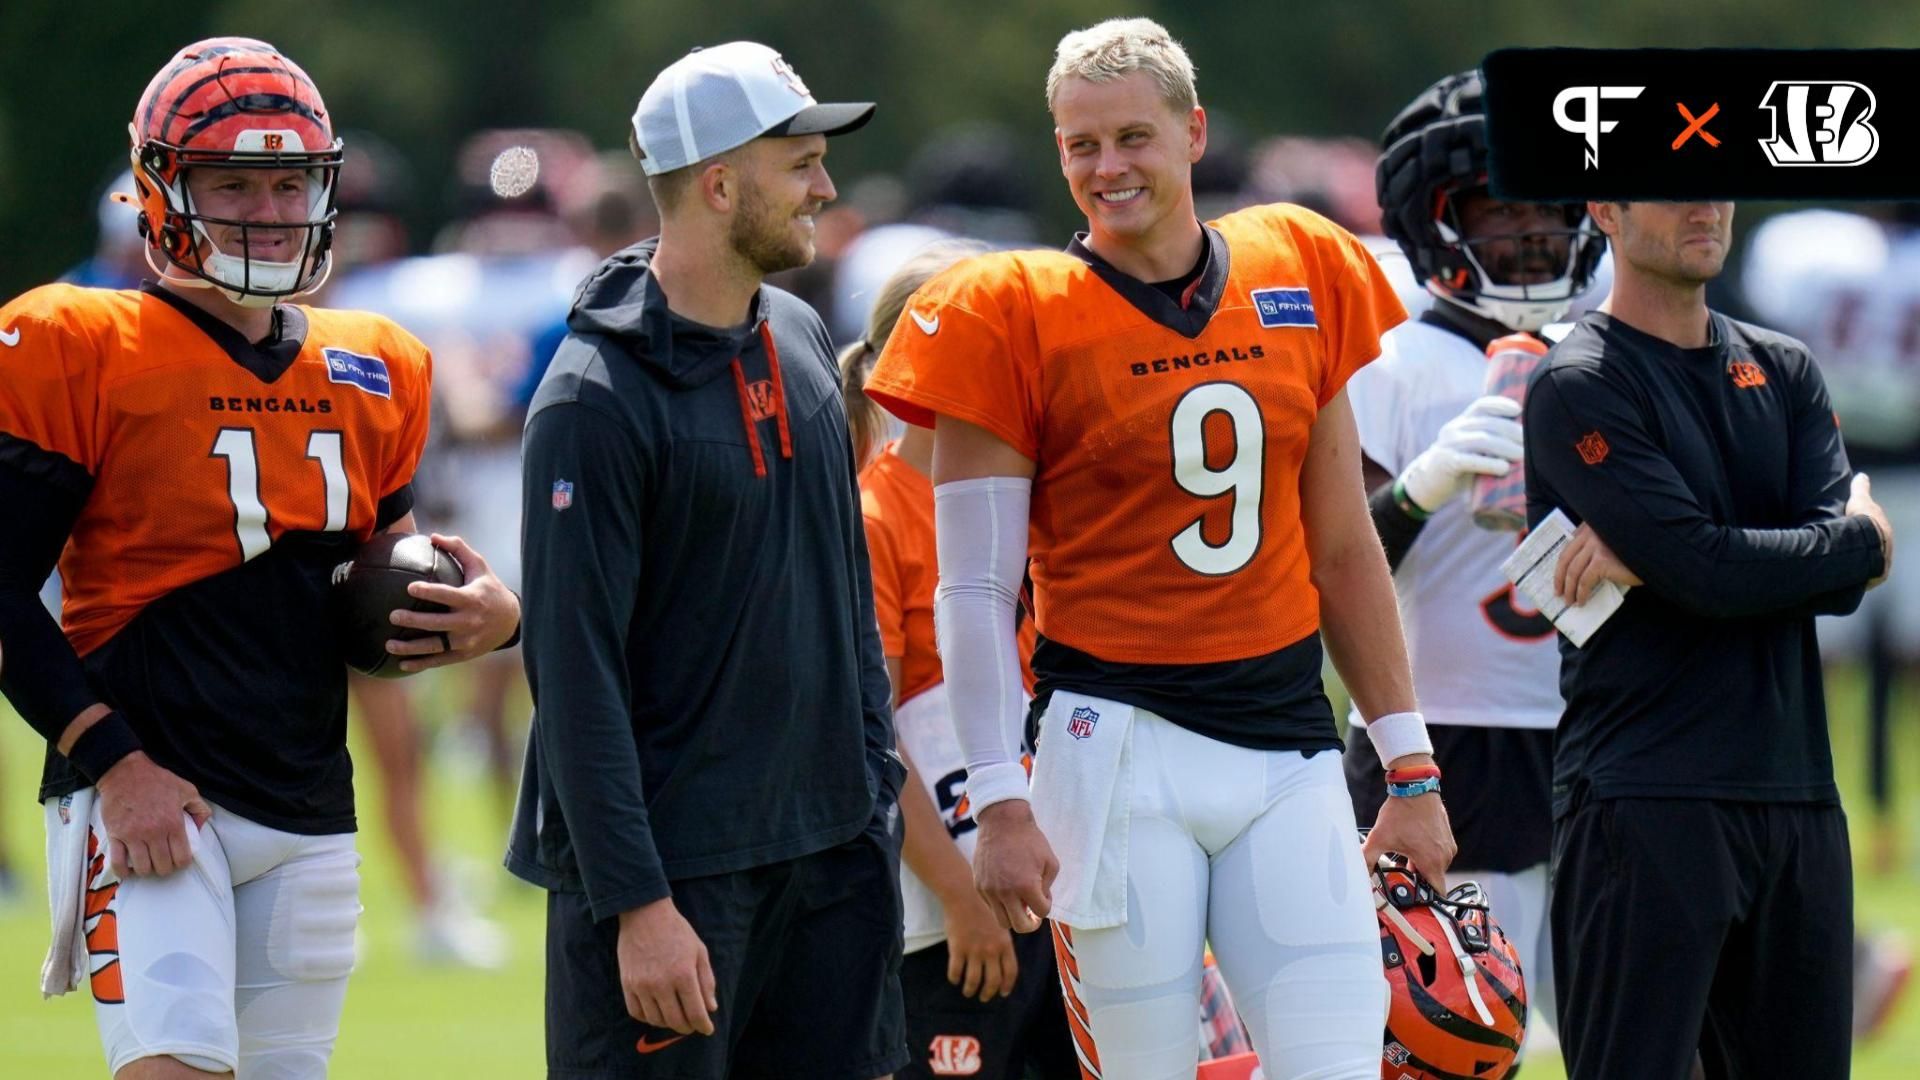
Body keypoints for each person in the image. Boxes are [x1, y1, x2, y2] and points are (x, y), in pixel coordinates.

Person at [866, 18, 1454, 1079]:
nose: (1108, 167)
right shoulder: (1010, 307)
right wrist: (1000, 797)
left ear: (1191, 133)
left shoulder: (1300, 261)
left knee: (1337, 1066)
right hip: (1114, 751)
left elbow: (1345, 545)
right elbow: (978, 586)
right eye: (1081, 144)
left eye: (1132, 137)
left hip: (1289, 744)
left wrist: (1408, 765)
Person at [0, 37, 522, 1079]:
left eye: (291, 183)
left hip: (309, 807)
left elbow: (380, 583)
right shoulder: (78, 341)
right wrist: (114, 765)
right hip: (151, 794)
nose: (268, 210)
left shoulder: (377, 361)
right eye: (233, 182)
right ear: (159, 190)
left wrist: (490, 615)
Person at [507, 41, 908, 1080]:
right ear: (720, 183)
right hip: (674, 890)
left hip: (829, 863)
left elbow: (846, 596)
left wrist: (874, 803)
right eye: (802, 163)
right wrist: (639, 907)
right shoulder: (592, 400)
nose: (826, 187)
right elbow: (574, 676)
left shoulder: (805, 334)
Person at [1524, 199, 1894, 1080]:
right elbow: (1721, 572)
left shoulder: (1786, 366)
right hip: (1647, 799)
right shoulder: (1580, 380)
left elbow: (1829, 582)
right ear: (1605, 210)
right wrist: (1850, 543)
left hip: (1798, 798)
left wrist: (1684, 555)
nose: (1705, 206)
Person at [1345, 69, 1607, 1052]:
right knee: (1440, 1042)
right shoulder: (1392, 359)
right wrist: (1420, 485)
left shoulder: (1618, 346)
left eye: (1549, 208)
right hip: (1445, 736)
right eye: (1498, 211)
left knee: (1642, 1033)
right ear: (1437, 224)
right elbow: (1328, 563)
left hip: (1602, 724)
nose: (1532, 234)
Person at [842, 241, 1080, 1080]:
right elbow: (873, 735)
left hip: (1048, 891)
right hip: (944, 914)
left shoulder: (1030, 495)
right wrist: (954, 895)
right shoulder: (873, 518)